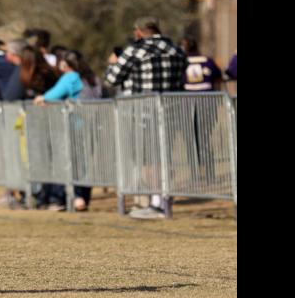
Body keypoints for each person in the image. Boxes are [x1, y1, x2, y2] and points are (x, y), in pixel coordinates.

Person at [104, 17, 187, 218]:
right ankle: (163, 200)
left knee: (148, 159)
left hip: (143, 112)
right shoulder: (176, 50)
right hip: (171, 111)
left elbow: (112, 79)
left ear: (138, 32)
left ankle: (157, 203)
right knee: (164, 157)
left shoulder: (135, 50)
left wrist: (113, 64)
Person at [33, 50, 99, 211]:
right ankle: (83, 197)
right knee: (83, 162)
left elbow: (53, 94)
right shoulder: (92, 77)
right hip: (93, 125)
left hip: (75, 125)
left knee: (72, 161)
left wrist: (42, 98)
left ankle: (75, 198)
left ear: (65, 64)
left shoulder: (70, 77)